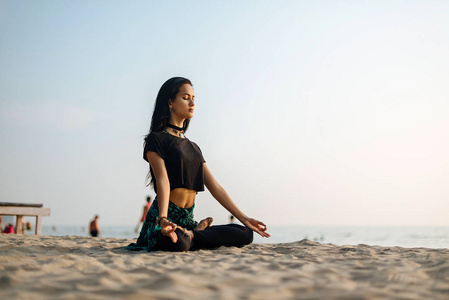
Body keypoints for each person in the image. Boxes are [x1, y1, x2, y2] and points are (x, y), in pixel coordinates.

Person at [126, 77, 270, 252]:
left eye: (193, 98)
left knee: (246, 233)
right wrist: (163, 219)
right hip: (165, 220)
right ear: (170, 102)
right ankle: (194, 234)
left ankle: (192, 233)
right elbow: (163, 180)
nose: (192, 102)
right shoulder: (156, 139)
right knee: (178, 241)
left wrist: (244, 218)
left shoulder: (194, 147)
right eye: (185, 97)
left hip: (186, 221)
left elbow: (215, 187)